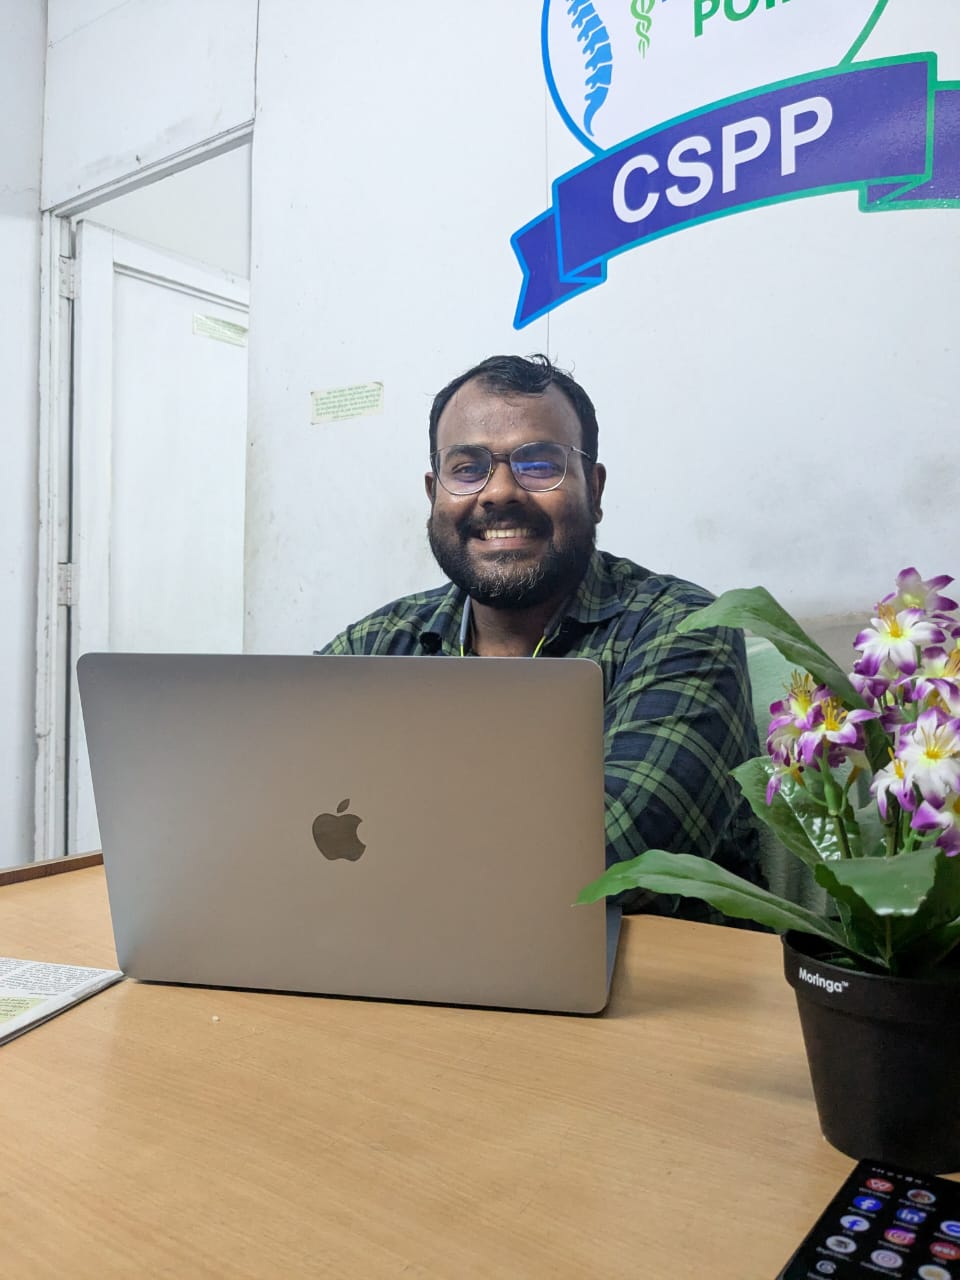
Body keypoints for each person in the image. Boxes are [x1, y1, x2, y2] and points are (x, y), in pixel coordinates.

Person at [320, 354, 763, 922]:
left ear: (594, 489)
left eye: (537, 464)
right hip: (402, 954)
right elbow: (276, 797)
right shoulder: (379, 643)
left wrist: (385, 843)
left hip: (648, 987)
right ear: (434, 493)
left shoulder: (682, 626)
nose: (499, 492)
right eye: (466, 468)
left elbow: (617, 857)